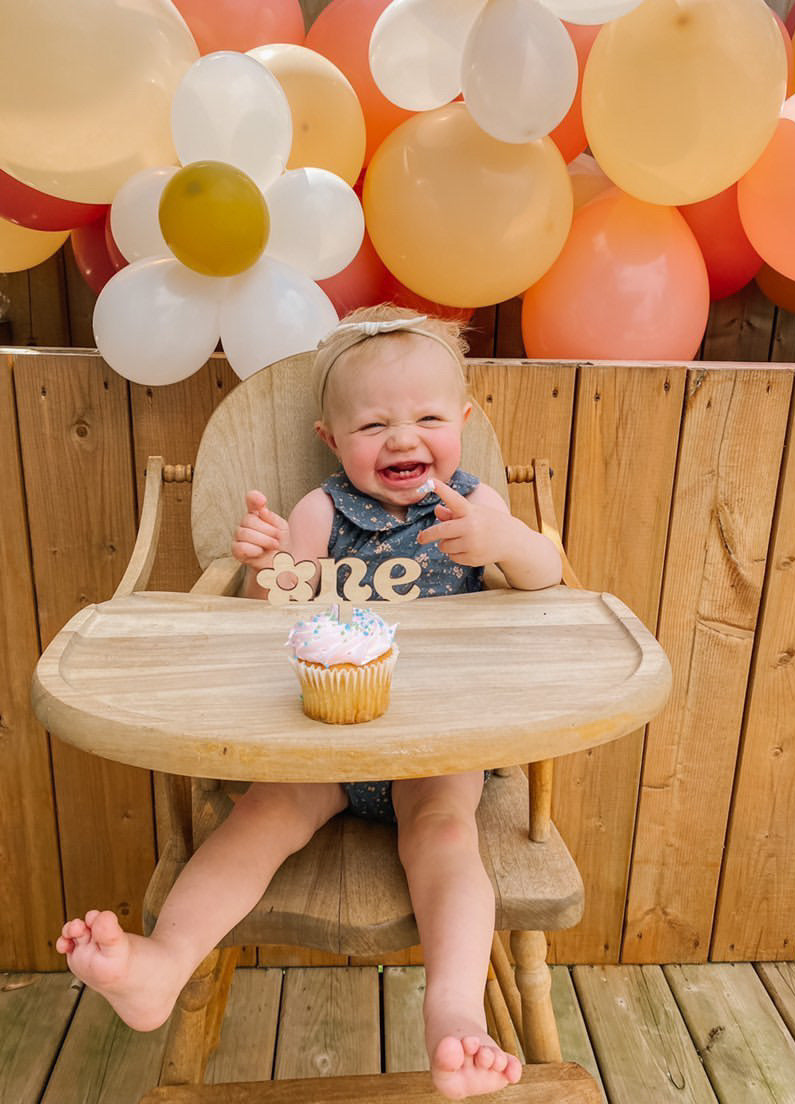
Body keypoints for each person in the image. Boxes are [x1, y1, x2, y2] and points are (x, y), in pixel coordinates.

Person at [56, 305, 563, 1101]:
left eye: (428, 417)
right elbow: (283, 603)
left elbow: (546, 573)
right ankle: (164, 960)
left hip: (438, 744)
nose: (403, 438)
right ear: (331, 439)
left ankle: (454, 1011)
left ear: (462, 422)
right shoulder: (322, 512)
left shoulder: (474, 504)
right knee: (256, 819)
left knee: (444, 834)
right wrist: (266, 563)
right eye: (374, 424)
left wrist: (507, 547)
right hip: (321, 738)